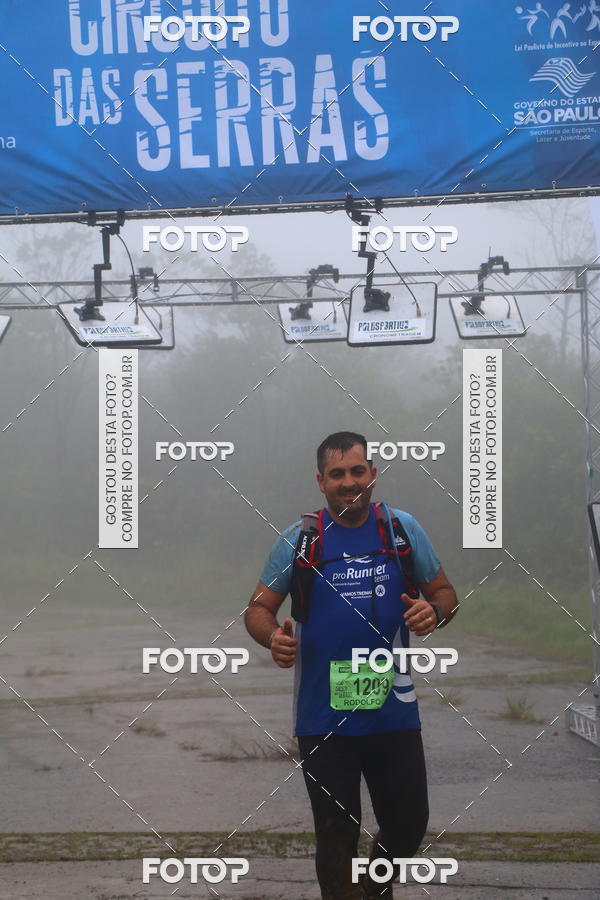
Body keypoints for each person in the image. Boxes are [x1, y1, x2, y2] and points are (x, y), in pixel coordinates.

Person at [244, 432, 458, 900]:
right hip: (323, 718)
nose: (349, 482)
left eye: (357, 471)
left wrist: (435, 612)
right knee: (336, 830)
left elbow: (445, 593)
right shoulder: (301, 539)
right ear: (320, 481)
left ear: (373, 475)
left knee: (407, 823)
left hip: (393, 711)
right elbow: (257, 610)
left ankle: (370, 889)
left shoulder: (400, 530)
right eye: (337, 474)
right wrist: (273, 637)